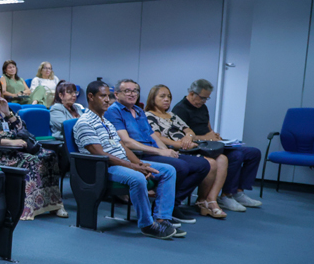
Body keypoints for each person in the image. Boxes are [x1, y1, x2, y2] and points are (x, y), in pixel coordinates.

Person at [74, 81, 183, 240]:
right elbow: (99, 154)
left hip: (122, 162)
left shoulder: (106, 122)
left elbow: (123, 147)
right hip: (103, 167)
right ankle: (147, 225)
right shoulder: (85, 122)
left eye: (108, 96)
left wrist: (140, 164)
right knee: (137, 177)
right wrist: (134, 167)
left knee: (168, 170)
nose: (107, 100)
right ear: (90, 97)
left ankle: (162, 219)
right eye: (103, 96)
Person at [105, 79, 210, 224]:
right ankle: (163, 209)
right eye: (127, 91)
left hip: (152, 151)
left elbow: (152, 135)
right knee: (181, 167)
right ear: (116, 94)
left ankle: (172, 204)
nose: (132, 94)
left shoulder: (138, 111)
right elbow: (126, 142)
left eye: (135, 91)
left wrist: (166, 150)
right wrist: (159, 152)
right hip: (137, 154)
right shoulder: (113, 111)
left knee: (202, 164)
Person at [0, 77, 66, 220]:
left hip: (18, 149)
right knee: (32, 160)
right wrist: (9, 142)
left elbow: (22, 129)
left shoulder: (3, 108)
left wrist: (9, 114)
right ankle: (27, 207)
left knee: (50, 156)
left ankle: (53, 203)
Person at [172, 79, 262, 212]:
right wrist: (207, 138)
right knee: (236, 156)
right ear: (191, 93)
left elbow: (209, 129)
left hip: (211, 143)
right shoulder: (180, 109)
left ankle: (238, 192)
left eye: (207, 98)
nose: (204, 101)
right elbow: (182, 138)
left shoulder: (202, 107)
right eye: (202, 98)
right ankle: (226, 195)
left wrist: (215, 136)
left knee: (254, 153)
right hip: (198, 147)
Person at [145, 84, 229, 219]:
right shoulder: (149, 115)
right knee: (210, 164)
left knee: (223, 159)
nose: (167, 99)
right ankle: (183, 202)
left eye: (169, 96)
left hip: (189, 148)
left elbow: (189, 130)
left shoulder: (171, 115)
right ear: (152, 98)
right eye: (162, 96)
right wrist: (179, 144)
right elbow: (158, 138)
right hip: (172, 150)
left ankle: (209, 200)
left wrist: (188, 137)